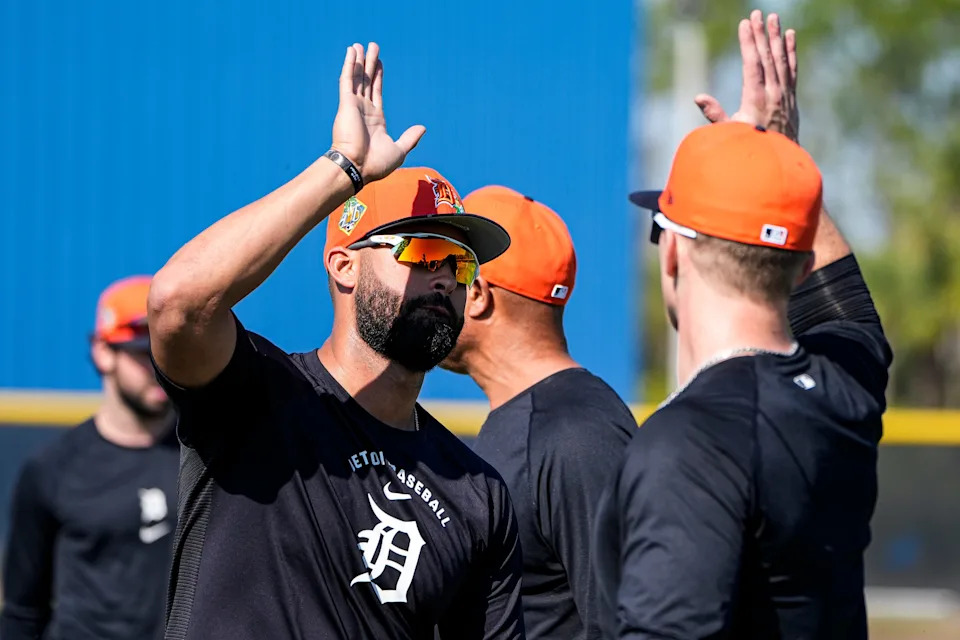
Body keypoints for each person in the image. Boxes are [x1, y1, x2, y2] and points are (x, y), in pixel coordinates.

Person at [146, 42, 524, 640]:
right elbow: (177, 306)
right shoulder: (256, 395)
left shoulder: (477, 492)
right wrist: (344, 168)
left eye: (460, 263)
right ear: (345, 266)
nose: (445, 277)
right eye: (422, 252)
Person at [593, 11, 893, 639]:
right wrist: (776, 163)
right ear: (802, 261)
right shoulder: (843, 396)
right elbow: (853, 320)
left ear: (673, 252)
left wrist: (773, 151)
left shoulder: (689, 443)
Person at [440, 185, 637, 639]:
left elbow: (625, 626)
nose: (427, 287)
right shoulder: (537, 420)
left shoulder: (577, 433)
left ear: (477, 295)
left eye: (441, 270)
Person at [1, 275, 179, 640]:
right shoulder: (52, 469)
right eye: (143, 353)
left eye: (168, 352)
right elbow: (23, 609)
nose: (159, 368)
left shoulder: (209, 456)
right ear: (103, 351)